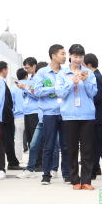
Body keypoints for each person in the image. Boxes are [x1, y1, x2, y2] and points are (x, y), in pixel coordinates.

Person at [56, 44, 97, 190]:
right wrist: (71, 83)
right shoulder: (62, 74)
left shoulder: (89, 73)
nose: (78, 59)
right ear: (70, 56)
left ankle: (86, 180)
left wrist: (85, 81)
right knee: (71, 149)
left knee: (87, 149)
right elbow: (60, 93)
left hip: (87, 115)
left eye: (80, 56)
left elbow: (93, 93)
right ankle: (75, 180)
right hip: (69, 116)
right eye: (75, 56)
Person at [35, 45, 69, 186]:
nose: (65, 56)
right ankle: (46, 174)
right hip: (49, 113)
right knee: (48, 145)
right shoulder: (42, 72)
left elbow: (68, 89)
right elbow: (37, 91)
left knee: (66, 146)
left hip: (64, 113)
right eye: (62, 54)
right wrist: (54, 89)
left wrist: (60, 90)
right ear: (53, 56)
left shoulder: (66, 72)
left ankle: (67, 174)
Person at [10, 69, 27, 167]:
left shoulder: (13, 88)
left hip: (18, 116)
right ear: (26, 76)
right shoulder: (28, 85)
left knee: (18, 139)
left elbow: (11, 103)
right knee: (31, 139)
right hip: (30, 115)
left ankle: (19, 159)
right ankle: (33, 160)